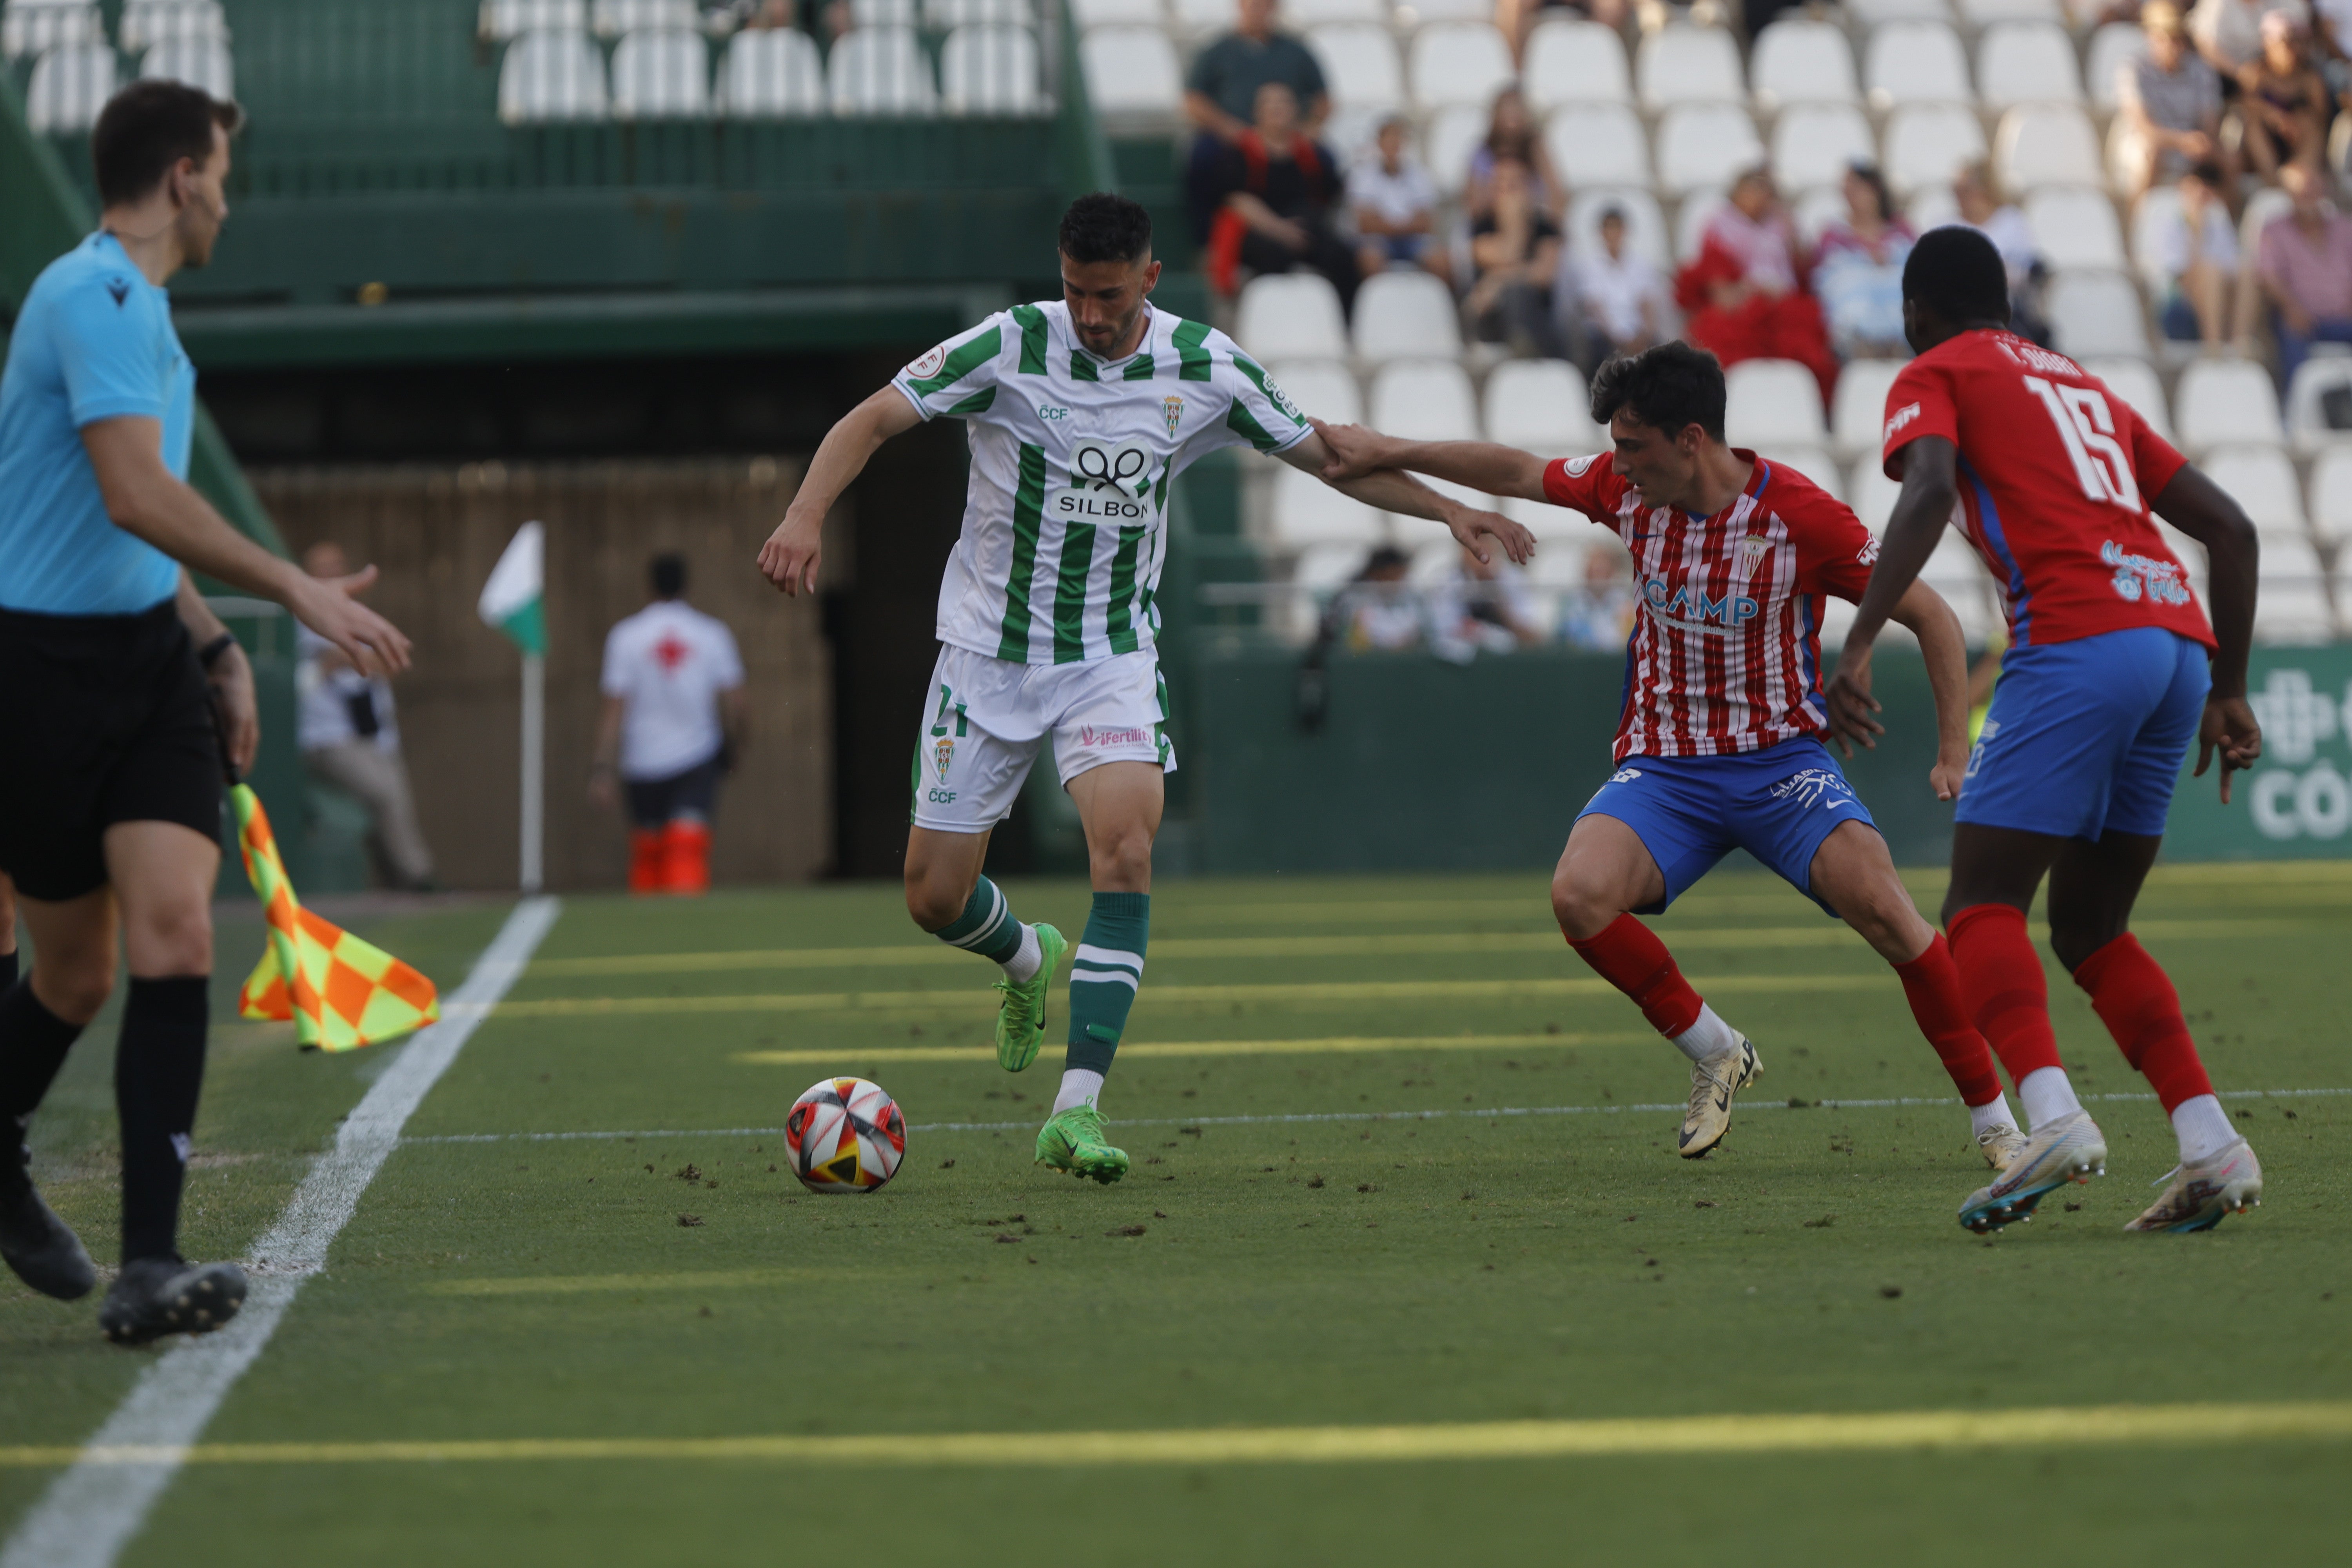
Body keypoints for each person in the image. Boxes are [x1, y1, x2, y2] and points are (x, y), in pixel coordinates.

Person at [755, 194, 1531, 1184]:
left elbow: (1334, 456)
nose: (1088, 314)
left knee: (1125, 850)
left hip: (1109, 655)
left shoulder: (1204, 366)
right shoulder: (1008, 344)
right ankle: (1029, 960)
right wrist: (806, 513)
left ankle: (1075, 1110)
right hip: (984, 656)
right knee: (931, 896)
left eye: (1109, 298)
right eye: (1076, 292)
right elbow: (872, 418)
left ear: (1151, 281)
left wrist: (1448, 513)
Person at [1308, 343, 2030, 1170]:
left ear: (1691, 439)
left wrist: (1951, 753)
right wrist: (1389, 449)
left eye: (1632, 444)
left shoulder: (1800, 516)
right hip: (1667, 768)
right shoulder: (1625, 490)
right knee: (1578, 894)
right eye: (1615, 445)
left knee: (1893, 916)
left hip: (1780, 765)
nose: (1617, 463)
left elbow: (1933, 616)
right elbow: (1513, 468)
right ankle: (1716, 1047)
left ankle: (1998, 1125)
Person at [0, 82, 410, 1341]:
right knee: (71, 976)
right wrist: (289, 584)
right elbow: (130, 495)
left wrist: (218, 641)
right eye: (223, 168)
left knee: (178, 932)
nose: (231, 193)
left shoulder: (149, 320)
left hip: (148, 666)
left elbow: (143, 530)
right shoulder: (91, 295)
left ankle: (148, 1267)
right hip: (42, 671)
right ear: (184, 175)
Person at [1824, 226, 2267, 1235]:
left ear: (1914, 313)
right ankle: (2210, 1144)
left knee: (1979, 901)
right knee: (2090, 925)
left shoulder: (1933, 370)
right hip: (2176, 648)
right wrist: (2229, 687)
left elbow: (1929, 487)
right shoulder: (2085, 389)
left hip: (2077, 638)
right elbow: (2232, 529)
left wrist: (1855, 643)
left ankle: (2053, 1119)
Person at [591, 553, 746, 897]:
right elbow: (737, 702)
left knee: (648, 853)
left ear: (649, 586)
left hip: (640, 763)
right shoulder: (712, 633)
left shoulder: (625, 636)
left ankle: (646, 939)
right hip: (696, 757)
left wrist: (602, 767)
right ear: (687, 585)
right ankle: (687, 935)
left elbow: (614, 707)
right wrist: (736, 746)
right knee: (685, 850)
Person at [295, 540, 436, 892]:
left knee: (395, 801)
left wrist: (352, 658)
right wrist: (345, 658)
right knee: (385, 795)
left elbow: (391, 662)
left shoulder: (358, 614)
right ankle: (419, 878)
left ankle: (397, 881)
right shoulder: (299, 619)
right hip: (327, 739)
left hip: (375, 735)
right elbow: (323, 668)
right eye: (322, 568)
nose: (332, 574)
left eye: (337, 566)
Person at [1675, 167, 1840, 404]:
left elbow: (1804, 272)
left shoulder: (1780, 226)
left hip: (1783, 305)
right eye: (1751, 191)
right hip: (1744, 306)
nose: (1758, 198)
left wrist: (1790, 229)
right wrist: (1755, 290)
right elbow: (1721, 292)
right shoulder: (1719, 227)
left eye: (1763, 192)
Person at [1202, 82, 1359, 310]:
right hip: (1259, 230)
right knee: (1274, 257)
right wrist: (1281, 230)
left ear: (1295, 110)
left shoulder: (1311, 152)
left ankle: (1345, 322)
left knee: (1341, 255)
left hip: (1304, 228)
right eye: (1270, 103)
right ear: (1257, 112)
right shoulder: (1239, 152)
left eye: (1284, 103)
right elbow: (1237, 200)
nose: (1277, 109)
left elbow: (1331, 190)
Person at [1182, 0, 1328, 243]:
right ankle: (1209, 245)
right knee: (1203, 160)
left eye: (1266, 4)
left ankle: (1315, 233)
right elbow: (1193, 100)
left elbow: (1323, 100)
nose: (1259, 9)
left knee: (1325, 162)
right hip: (1233, 140)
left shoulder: (1296, 51)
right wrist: (1227, 128)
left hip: (1286, 140)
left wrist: (1306, 130)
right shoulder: (1217, 51)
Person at [2117, 3, 2230, 199]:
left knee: (2229, 161)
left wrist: (2204, 144)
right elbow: (2145, 128)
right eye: (2164, 37)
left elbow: (2210, 122)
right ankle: (2137, 222)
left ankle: (2226, 222)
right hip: (2149, 144)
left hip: (2189, 142)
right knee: (2151, 154)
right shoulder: (2134, 71)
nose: (2172, 45)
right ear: (2150, 37)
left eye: (2176, 38)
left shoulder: (2202, 71)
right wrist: (2183, 142)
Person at [2257, 162, 2352, 383]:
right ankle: (2296, 409)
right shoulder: (2275, 230)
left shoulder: (2346, 229)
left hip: (2347, 318)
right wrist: (2291, 307)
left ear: (2323, 191)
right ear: (2289, 196)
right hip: (2304, 320)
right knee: (2291, 334)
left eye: (2311, 190)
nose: (2306, 196)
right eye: (2300, 192)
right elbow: (2269, 277)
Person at [1811, 162, 1916, 356]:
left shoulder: (1902, 230)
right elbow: (1827, 277)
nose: (1852, 196)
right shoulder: (1833, 233)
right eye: (1848, 190)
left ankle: (1898, 341)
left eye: (1858, 188)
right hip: (1855, 327)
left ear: (1875, 190)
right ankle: (1861, 342)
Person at [1465, 159, 1568, 358]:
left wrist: (1496, 280)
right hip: (1492, 317)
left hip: (1538, 317)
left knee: (1519, 293)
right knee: (1512, 294)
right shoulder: (1481, 226)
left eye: (1513, 186)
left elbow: (1544, 275)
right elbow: (1497, 255)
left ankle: (1524, 344)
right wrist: (1512, 224)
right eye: (1500, 185)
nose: (1507, 193)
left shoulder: (1545, 227)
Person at [1953, 161, 2051, 345]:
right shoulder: (1944, 224)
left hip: (2007, 309)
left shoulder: (2012, 221)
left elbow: (2029, 268)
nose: (1959, 196)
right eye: (1956, 190)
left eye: (1966, 190)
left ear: (1984, 190)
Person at [1566, 205, 1669, 372]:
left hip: (1637, 332)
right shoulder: (1590, 266)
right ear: (1602, 232)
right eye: (1609, 228)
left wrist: (1645, 335)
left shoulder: (1640, 264)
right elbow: (1596, 309)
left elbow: (1647, 305)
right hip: (1606, 335)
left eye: (1617, 228)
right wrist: (1619, 340)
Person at [2152, 161, 2242, 345]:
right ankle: (2214, 343)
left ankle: (2240, 340)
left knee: (2246, 272)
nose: (2203, 191)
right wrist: (2197, 230)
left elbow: (2233, 267)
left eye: (2208, 186)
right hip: (2179, 301)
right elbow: (2179, 275)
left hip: (2219, 294)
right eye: (2198, 184)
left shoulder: (2218, 218)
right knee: (2211, 272)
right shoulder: (2166, 217)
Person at [1348, 115, 1445, 284]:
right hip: (1379, 240)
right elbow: (1365, 224)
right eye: (1389, 139)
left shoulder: (1420, 174)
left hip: (1412, 240)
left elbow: (1427, 222)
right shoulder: (1363, 175)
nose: (1393, 145)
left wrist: (1387, 225)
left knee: (1441, 261)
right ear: (1379, 143)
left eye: (1398, 139)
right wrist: (1406, 225)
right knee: (1370, 259)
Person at [1428, 541, 1545, 659]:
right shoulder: (1447, 581)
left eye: (1487, 546)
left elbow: (1533, 636)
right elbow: (1442, 633)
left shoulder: (1513, 579)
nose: (1481, 555)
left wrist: (1496, 596)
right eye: (1473, 549)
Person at [1464, 85, 1562, 221]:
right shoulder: (1483, 151)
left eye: (1516, 108)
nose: (1511, 114)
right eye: (1506, 108)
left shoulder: (1536, 149)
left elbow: (1556, 192)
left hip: (1532, 219)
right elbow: (1474, 201)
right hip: (1492, 221)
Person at [2190, 0, 2311, 75]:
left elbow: (2304, 31)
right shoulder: (2217, 4)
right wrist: (2240, 73)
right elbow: (2204, 42)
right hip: (2228, 73)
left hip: (2281, 69)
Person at [1339, 545, 1423, 652]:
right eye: (1393, 574)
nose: (1397, 580)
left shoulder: (1409, 594)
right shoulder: (1356, 595)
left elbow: (1414, 625)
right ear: (1377, 572)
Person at [1555, 545, 1635, 651]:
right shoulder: (1570, 602)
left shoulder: (1625, 603)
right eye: (1594, 572)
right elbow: (1560, 638)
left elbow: (1628, 640)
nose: (1598, 578)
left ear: (1611, 573)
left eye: (1603, 571)